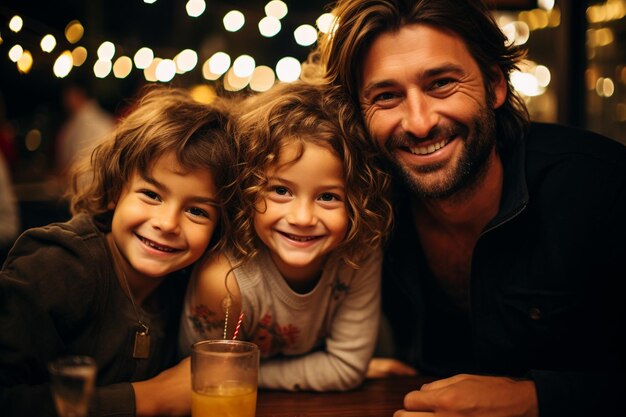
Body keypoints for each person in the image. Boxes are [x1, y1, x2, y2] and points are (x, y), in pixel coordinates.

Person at [309, 0, 626, 416]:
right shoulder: (367, 208)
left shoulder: (599, 185)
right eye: (387, 96)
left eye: (440, 83)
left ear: (495, 85)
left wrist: (533, 399)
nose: (419, 123)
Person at [0, 86, 237, 417]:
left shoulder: (188, 285)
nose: (168, 223)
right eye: (151, 194)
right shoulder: (55, 266)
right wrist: (152, 397)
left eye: (198, 211)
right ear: (115, 190)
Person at [179, 81, 393, 391]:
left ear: (359, 201)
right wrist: (326, 371)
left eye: (329, 197)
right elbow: (204, 377)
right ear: (248, 189)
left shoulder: (359, 253)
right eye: (281, 191)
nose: (302, 218)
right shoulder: (225, 280)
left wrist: (247, 375)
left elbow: (346, 366)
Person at [55, 81, 116, 180]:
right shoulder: (105, 120)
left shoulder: (75, 125)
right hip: (100, 183)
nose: (64, 101)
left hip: (83, 183)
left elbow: (66, 163)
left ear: (76, 95)